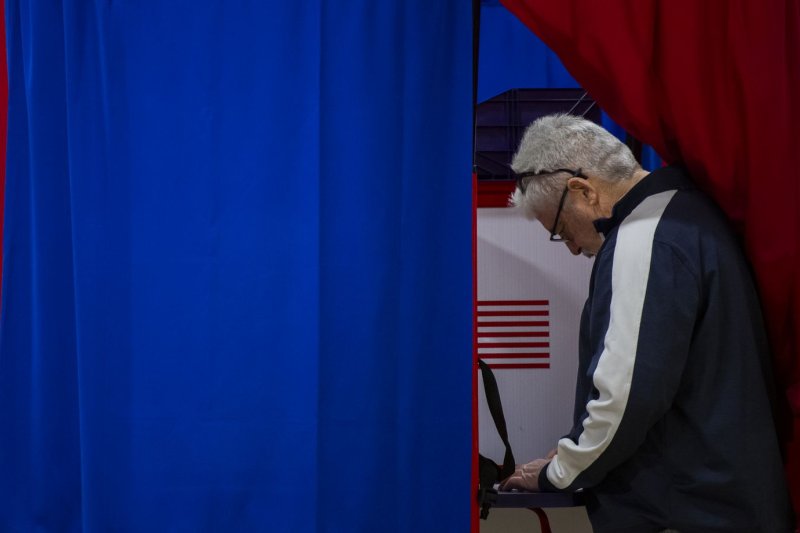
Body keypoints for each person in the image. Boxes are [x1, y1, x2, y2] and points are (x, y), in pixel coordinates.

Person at [500, 114, 794, 533]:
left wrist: (560, 470)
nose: (571, 249)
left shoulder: (643, 237)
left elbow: (627, 393)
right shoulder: (688, 212)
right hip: (724, 501)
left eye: (562, 229)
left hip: (683, 510)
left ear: (582, 190)